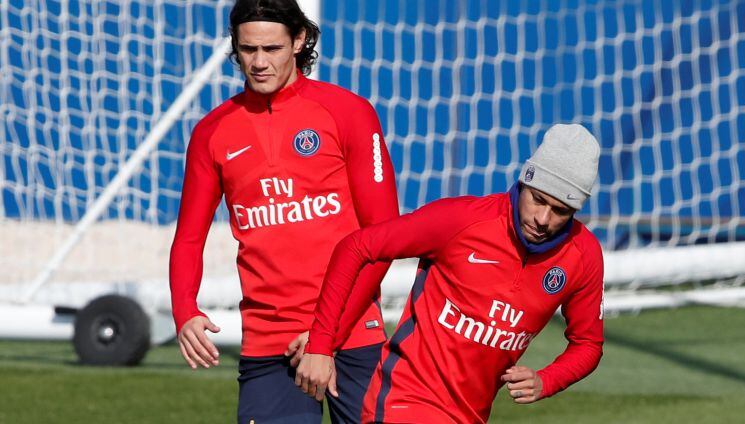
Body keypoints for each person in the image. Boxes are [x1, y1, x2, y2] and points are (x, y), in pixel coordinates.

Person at [168, 0, 399, 422]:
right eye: (247, 50)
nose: (258, 62)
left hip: (352, 334)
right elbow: (188, 237)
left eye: (271, 49)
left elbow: (383, 238)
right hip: (268, 343)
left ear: (298, 41)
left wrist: (324, 339)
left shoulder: (348, 113)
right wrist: (185, 310)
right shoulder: (212, 132)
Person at [296, 124, 605, 423]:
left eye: (560, 210)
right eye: (537, 199)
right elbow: (356, 247)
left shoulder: (583, 256)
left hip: (469, 415)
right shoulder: (462, 221)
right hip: (402, 402)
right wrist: (322, 345)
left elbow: (588, 344)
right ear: (524, 181)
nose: (543, 218)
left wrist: (547, 380)